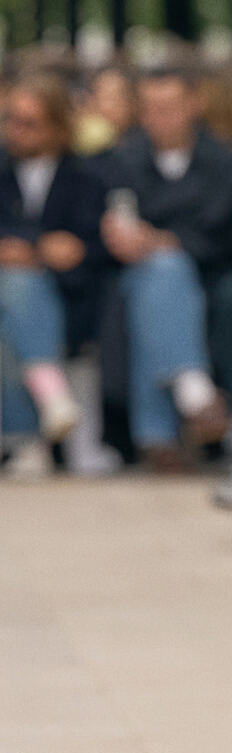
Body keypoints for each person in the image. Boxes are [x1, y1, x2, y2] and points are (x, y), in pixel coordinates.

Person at [98, 66, 232, 470]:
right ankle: (192, 389)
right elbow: (112, 218)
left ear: (194, 104)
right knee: (157, 279)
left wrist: (161, 242)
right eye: (152, 108)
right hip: (133, 274)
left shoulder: (222, 161)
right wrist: (121, 237)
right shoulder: (123, 160)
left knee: (164, 274)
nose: (161, 118)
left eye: (170, 107)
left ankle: (157, 435)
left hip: (208, 275)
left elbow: (220, 232)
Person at [0, 76, 107, 476]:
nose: (17, 131)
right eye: (12, 120)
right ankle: (51, 397)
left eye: (29, 123)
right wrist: (38, 249)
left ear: (58, 127)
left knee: (17, 321)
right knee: (19, 287)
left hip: (61, 294)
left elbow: (89, 243)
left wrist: (39, 250)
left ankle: (29, 443)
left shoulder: (85, 176)